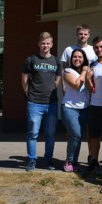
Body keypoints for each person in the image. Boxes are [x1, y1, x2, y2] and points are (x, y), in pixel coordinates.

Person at [21, 31, 61, 171]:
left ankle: (48, 160)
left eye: (48, 43)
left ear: (52, 45)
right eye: (43, 43)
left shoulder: (56, 61)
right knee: (33, 132)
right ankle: (32, 160)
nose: (45, 45)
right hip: (34, 102)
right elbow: (24, 78)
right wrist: (28, 93)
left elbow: (58, 78)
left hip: (51, 103)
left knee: (50, 133)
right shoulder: (31, 60)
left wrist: (51, 89)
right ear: (39, 44)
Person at [84, 36, 102, 174]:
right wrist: (87, 79)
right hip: (95, 105)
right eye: (96, 47)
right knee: (94, 135)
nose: (99, 49)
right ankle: (94, 160)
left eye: (101, 46)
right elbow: (90, 88)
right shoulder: (92, 65)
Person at [61, 48, 90, 172]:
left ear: (84, 59)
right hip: (69, 108)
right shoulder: (67, 71)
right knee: (76, 134)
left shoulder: (87, 71)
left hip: (84, 108)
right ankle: (69, 160)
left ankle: (74, 161)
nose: (77, 59)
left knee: (78, 136)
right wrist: (84, 71)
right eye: (75, 57)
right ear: (71, 59)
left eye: (80, 57)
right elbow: (76, 85)